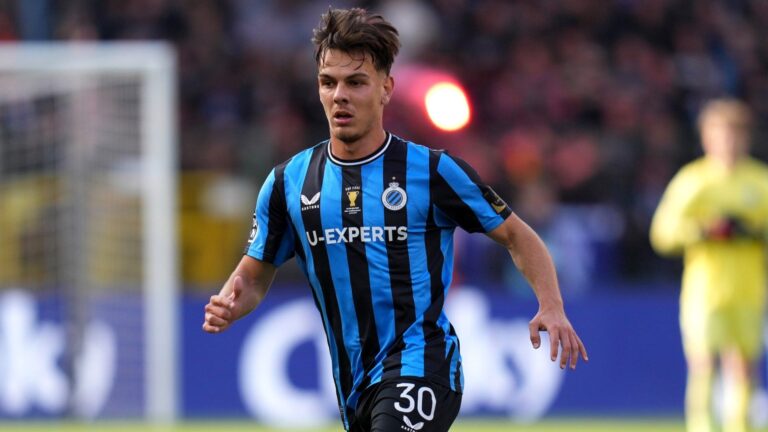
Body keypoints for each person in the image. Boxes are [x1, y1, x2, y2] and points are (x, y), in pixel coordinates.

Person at [203, 7, 588, 432]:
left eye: (355, 82)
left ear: (386, 88)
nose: (340, 95)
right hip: (353, 385)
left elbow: (516, 235)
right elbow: (254, 275)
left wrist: (551, 306)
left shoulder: (432, 171)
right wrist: (231, 303)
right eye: (328, 82)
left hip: (423, 367)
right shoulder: (288, 183)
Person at [651, 98, 768, 432]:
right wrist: (703, 230)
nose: (728, 141)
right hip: (704, 291)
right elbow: (662, 234)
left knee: (743, 367)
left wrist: (752, 232)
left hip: (748, 291)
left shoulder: (760, 182)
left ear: (746, 137)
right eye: (720, 134)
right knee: (703, 365)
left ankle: (740, 427)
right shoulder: (693, 181)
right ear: (706, 138)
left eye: (735, 134)